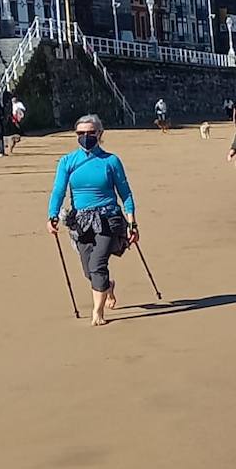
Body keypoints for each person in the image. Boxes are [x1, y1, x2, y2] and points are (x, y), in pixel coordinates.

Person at [46, 114, 139, 327]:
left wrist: (132, 222)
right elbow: (58, 191)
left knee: (98, 264)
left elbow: (125, 193)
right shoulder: (67, 161)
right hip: (80, 221)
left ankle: (97, 312)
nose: (86, 137)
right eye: (81, 133)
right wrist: (52, 216)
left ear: (100, 133)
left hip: (108, 219)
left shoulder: (111, 161)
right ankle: (108, 286)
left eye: (90, 133)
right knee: (89, 270)